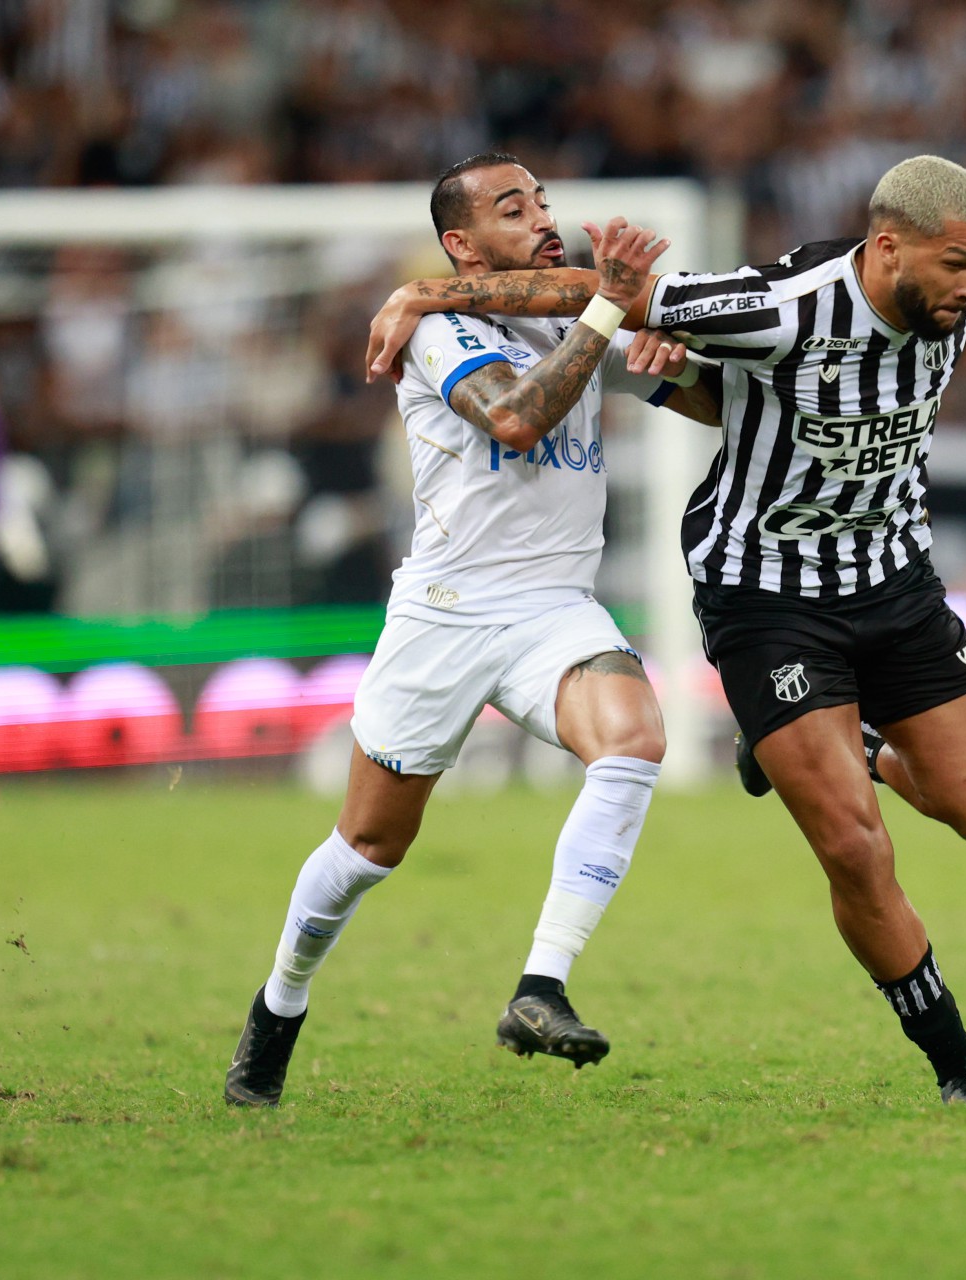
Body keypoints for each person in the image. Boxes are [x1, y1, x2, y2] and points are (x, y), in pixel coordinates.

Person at [364, 155, 966, 1103]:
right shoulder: (777, 304)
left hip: (894, 582)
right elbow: (608, 292)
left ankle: (851, 742)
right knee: (856, 849)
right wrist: (424, 291)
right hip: (766, 595)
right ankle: (961, 1063)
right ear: (887, 250)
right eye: (953, 266)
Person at [224, 153, 721, 1108]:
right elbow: (515, 419)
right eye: (511, 207)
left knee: (634, 741)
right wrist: (611, 316)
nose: (540, 218)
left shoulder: (564, 317)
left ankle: (540, 987)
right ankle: (280, 1002)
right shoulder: (436, 329)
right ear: (461, 246)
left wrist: (674, 364)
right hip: (444, 618)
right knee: (367, 851)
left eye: (541, 202)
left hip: (554, 611)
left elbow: (698, 401)